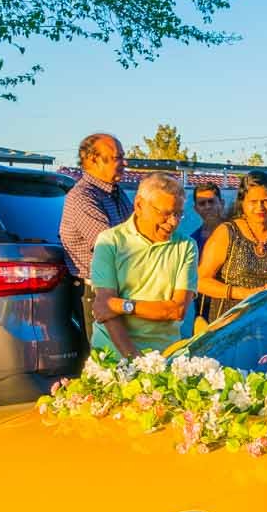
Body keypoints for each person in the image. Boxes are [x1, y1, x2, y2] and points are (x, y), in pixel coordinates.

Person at [88, 173, 196, 359]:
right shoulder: (110, 242)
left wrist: (121, 305)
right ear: (139, 205)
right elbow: (106, 310)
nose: (173, 222)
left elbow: (176, 310)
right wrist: (134, 359)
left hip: (164, 356)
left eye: (178, 214)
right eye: (166, 213)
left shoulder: (186, 246)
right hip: (112, 356)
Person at [197, 174, 267, 321]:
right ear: (242, 202)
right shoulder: (227, 232)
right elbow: (200, 281)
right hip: (232, 326)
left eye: (266, 201)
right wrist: (241, 293)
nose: (260, 207)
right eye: (253, 201)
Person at [60, 133, 131, 343]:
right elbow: (114, 247)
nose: (124, 163)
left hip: (122, 289)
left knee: (131, 363)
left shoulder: (116, 193)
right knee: (108, 364)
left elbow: (138, 237)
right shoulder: (82, 197)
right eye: (117, 157)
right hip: (97, 294)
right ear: (92, 160)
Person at [188, 181, 226, 247]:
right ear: (196, 209)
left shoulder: (237, 232)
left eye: (211, 201)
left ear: (222, 204)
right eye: (202, 203)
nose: (207, 207)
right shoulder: (193, 242)